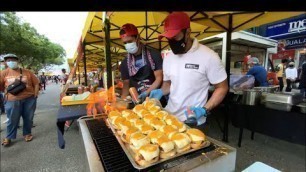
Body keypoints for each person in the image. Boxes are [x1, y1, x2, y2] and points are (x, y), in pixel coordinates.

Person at [149, 12, 228, 128]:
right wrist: (161, 91)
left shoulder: (209, 56)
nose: (171, 42)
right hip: (169, 117)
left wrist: (204, 109)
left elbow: (222, 87)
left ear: (187, 33)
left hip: (193, 121)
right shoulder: (168, 57)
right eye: (169, 39)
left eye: (175, 37)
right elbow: (168, 84)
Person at [119, 23, 165, 105]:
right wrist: (122, 102)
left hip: (156, 100)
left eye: (129, 41)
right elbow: (126, 86)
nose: (128, 45)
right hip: (137, 103)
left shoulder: (154, 54)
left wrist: (147, 92)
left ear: (137, 38)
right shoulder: (125, 63)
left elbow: (159, 78)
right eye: (125, 43)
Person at [0, 54, 39, 146]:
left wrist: (35, 95)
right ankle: (9, 137)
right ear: (6, 62)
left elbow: (36, 83)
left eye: (13, 60)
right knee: (12, 119)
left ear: (17, 61)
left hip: (29, 99)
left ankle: (27, 133)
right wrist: (6, 92)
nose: (11, 62)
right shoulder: (3, 73)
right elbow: (1, 86)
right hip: (12, 100)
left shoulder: (27, 72)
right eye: (8, 60)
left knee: (28, 118)